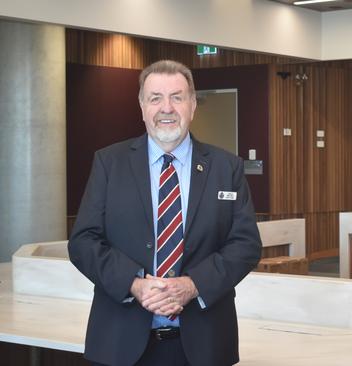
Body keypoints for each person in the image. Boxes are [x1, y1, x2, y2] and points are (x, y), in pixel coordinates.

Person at [68, 60, 262, 366]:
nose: (166, 108)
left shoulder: (227, 168)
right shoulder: (109, 164)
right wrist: (134, 283)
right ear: (142, 106)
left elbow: (246, 245)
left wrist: (193, 284)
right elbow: (83, 242)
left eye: (177, 97)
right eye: (155, 98)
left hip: (205, 346)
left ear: (193, 105)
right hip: (120, 344)